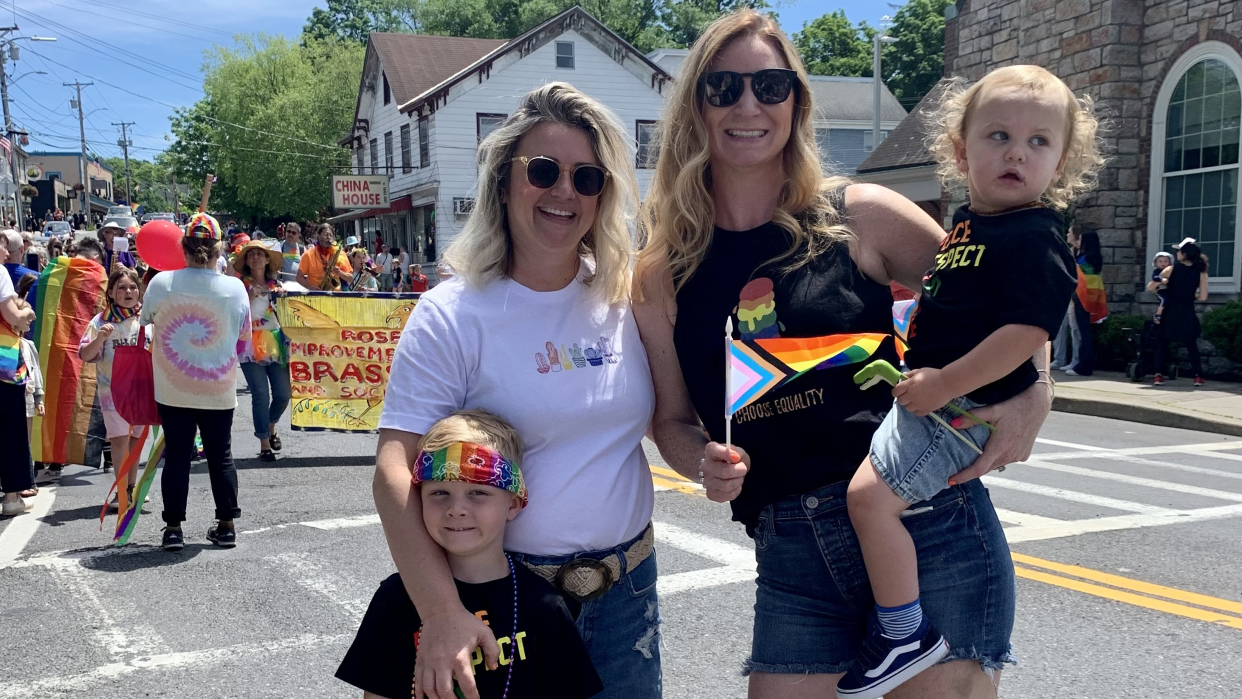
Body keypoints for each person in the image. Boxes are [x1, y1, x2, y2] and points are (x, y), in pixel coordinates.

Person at [634, 11, 1059, 699]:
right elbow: (673, 421)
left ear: (797, 102)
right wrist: (701, 466)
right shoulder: (661, 270)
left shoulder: (862, 213)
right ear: (697, 106)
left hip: (926, 527)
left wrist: (1035, 390)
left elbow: (1005, 295)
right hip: (792, 553)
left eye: (771, 86)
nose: (749, 104)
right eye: (725, 87)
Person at [375, 83, 657, 699]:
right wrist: (442, 611)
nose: (565, 192)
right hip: (502, 598)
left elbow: (675, 423)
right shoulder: (452, 313)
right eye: (544, 170)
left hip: (627, 589)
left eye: (587, 178)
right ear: (503, 180)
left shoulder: (626, 296)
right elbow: (395, 470)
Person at [837, 65, 1096, 698]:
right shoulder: (971, 230)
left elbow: (1027, 332)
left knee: (869, 501)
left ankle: (903, 633)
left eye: (1040, 142)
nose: (1017, 151)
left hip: (960, 412)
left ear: (1061, 164)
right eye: (999, 134)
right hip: (937, 400)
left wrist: (943, 383)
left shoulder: (1035, 237)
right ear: (961, 149)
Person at [337, 409, 603, 699]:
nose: (457, 509)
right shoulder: (395, 598)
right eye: (440, 493)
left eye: (478, 493)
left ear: (513, 504)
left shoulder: (543, 604)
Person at [140, 212, 251, 551]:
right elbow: (244, 337)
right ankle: (226, 523)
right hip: (218, 386)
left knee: (176, 456)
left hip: (173, 386)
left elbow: (146, 321)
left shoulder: (162, 283)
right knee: (221, 456)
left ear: (183, 247)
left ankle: (173, 528)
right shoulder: (235, 288)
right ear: (220, 251)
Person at [79, 267, 149, 508]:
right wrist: (99, 338)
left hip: (143, 392)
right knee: (120, 440)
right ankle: (120, 492)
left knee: (136, 441)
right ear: (110, 293)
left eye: (132, 287)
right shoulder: (100, 321)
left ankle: (131, 486)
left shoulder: (148, 318)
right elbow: (86, 355)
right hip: (113, 393)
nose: (128, 292)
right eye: (121, 288)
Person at [234, 241, 291, 463]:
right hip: (250, 342)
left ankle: (271, 425)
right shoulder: (239, 287)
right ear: (247, 261)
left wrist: (283, 297)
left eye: (260, 254)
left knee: (282, 394)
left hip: (275, 342)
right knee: (260, 395)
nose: (256, 258)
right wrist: (248, 295)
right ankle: (264, 443)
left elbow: (288, 313)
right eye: (252, 255)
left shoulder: (277, 284)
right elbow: (234, 312)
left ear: (268, 260)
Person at [0, 239, 37, 516]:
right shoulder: (0, 272)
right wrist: (26, 313)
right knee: (10, 427)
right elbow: (12, 316)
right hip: (3, 362)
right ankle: (11, 496)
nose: (6, 252)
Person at [1151, 238, 1209, 387]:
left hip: (1170, 310)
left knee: (1162, 343)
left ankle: (1158, 375)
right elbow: (1203, 297)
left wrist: (1161, 285)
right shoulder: (1201, 271)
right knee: (1191, 344)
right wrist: (1191, 296)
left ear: (1183, 254)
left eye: (1178, 251)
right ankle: (1197, 376)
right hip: (1187, 310)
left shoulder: (1171, 269)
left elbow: (1151, 286)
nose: (1176, 253)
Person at [296, 223, 352, 290]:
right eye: (326, 234)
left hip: (336, 297)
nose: (329, 237)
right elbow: (299, 277)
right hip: (316, 296)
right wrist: (310, 287)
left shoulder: (341, 254)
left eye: (331, 235)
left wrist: (340, 273)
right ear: (318, 236)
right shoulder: (308, 255)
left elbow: (351, 278)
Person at [1150, 251, 1173, 323]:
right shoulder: (1157, 271)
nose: (1163, 263)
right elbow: (1154, 277)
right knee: (1164, 299)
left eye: (1165, 261)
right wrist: (1161, 279)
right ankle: (1158, 314)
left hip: (1169, 289)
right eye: (1160, 261)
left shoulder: (1171, 271)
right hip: (1160, 289)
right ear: (1156, 263)